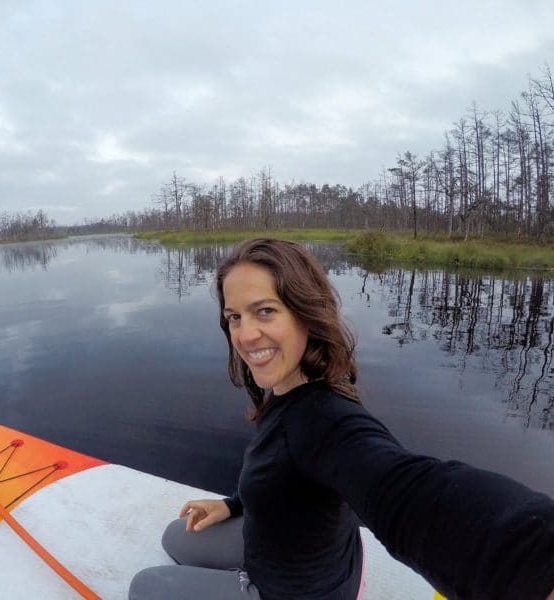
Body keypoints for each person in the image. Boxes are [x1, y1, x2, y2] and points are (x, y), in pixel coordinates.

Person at [129, 238, 554, 600]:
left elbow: (408, 492)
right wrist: (232, 504)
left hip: (292, 589)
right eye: (234, 317)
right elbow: (285, 476)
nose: (244, 334)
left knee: (146, 585)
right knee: (175, 536)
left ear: (305, 313)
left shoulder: (327, 422)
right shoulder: (294, 388)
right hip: (318, 558)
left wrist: (535, 561)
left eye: (264, 311)